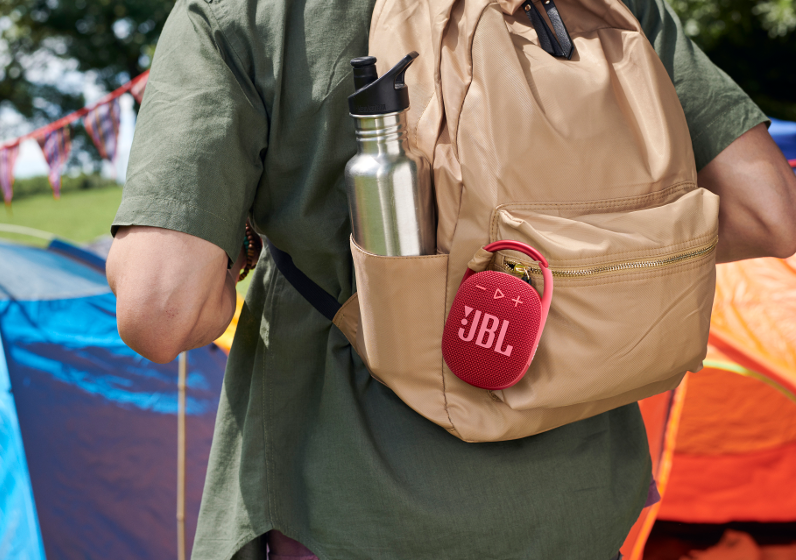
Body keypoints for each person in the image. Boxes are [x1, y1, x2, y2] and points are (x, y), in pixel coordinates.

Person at [105, 0, 796, 557]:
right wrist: (564, 266)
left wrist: (240, 250)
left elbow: (160, 307)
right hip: (582, 515)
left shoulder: (246, 16)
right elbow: (767, 212)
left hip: (347, 514)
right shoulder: (602, 6)